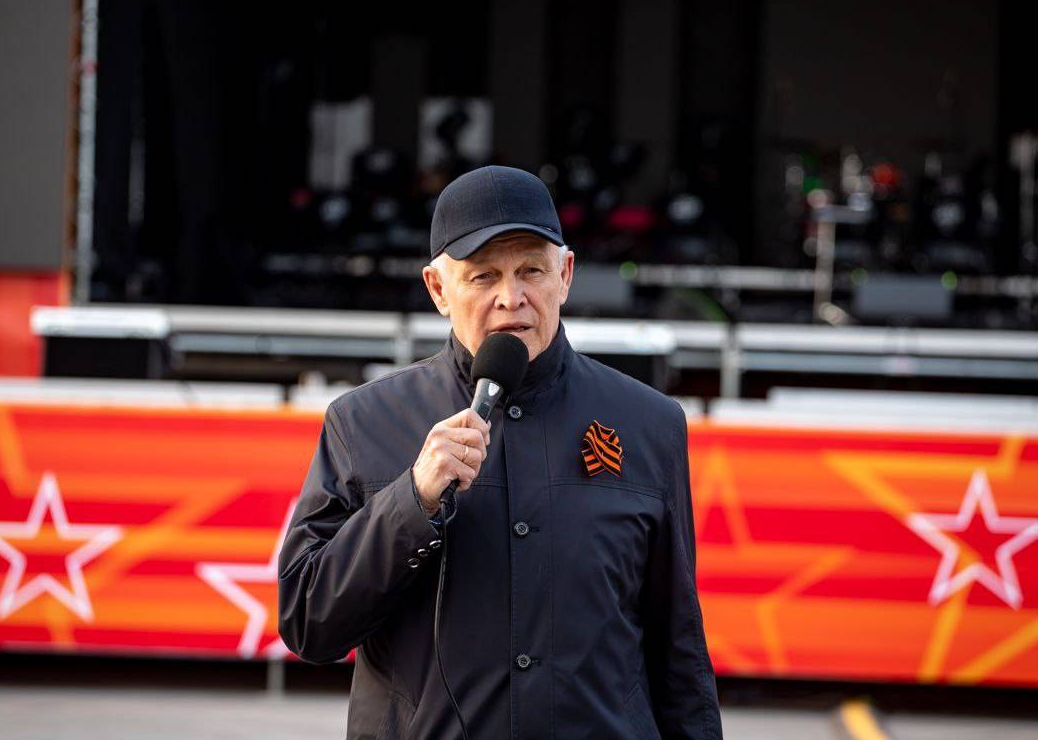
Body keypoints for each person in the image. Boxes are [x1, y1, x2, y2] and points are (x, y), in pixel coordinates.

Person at [278, 165, 723, 739]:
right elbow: (309, 623)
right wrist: (412, 500)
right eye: (483, 276)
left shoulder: (649, 423)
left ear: (565, 275)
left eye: (530, 270)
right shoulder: (363, 423)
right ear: (438, 290)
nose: (511, 298)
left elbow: (678, 648)